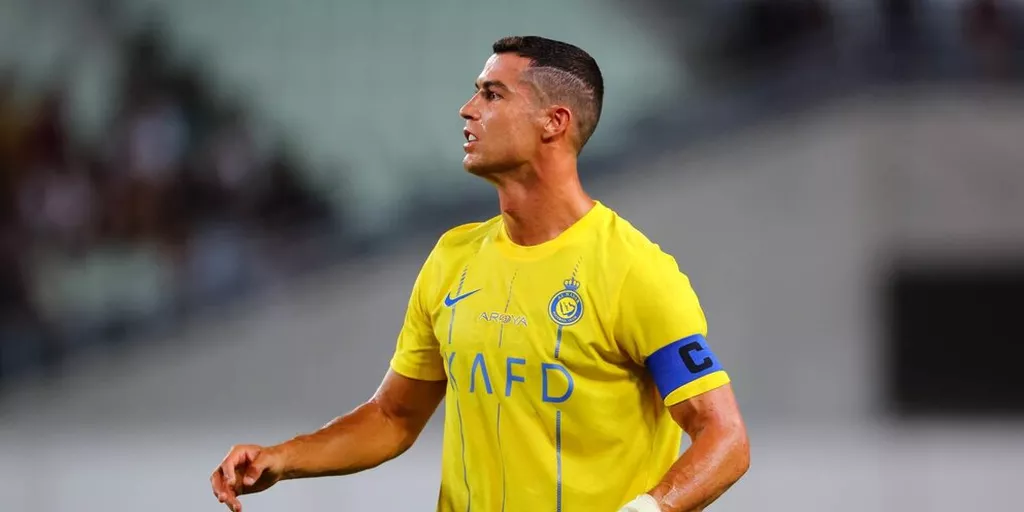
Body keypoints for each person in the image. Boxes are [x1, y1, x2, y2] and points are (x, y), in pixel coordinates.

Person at [210, 36, 750, 512]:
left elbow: (724, 437)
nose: (467, 109)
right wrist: (284, 458)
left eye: (492, 95)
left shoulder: (633, 270)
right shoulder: (454, 258)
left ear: (554, 122)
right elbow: (394, 417)